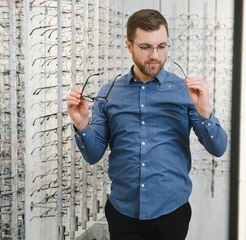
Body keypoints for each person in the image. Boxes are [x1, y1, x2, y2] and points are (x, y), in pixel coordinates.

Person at [67, 9, 228, 240]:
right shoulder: (109, 93)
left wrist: (205, 111)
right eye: (146, 47)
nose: (155, 55)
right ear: (129, 46)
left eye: (161, 46)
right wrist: (82, 124)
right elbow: (93, 155)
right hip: (123, 214)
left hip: (172, 212)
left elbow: (218, 148)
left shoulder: (185, 91)